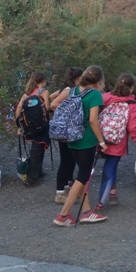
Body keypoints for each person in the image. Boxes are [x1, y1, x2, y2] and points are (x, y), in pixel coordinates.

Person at [53, 65, 108, 226]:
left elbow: (56, 105)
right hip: (86, 140)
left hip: (71, 138)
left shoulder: (73, 91)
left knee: (82, 176)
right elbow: (93, 120)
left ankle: (86, 211)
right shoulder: (95, 94)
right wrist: (102, 142)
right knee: (83, 176)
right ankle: (63, 214)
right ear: (98, 81)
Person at [96, 73, 136, 211]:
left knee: (108, 167)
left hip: (100, 138)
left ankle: (112, 192)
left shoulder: (105, 98)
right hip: (118, 141)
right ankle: (100, 204)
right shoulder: (132, 105)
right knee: (110, 167)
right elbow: (132, 128)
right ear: (131, 88)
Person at [50, 66, 84, 203]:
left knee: (70, 159)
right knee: (65, 160)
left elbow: (52, 96)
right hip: (65, 129)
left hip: (69, 129)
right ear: (78, 78)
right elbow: (53, 103)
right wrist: (69, 111)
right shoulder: (69, 90)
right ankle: (60, 191)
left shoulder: (69, 89)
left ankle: (67, 186)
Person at [15, 72, 50, 187]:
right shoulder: (43, 92)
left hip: (29, 126)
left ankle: (38, 172)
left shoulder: (27, 93)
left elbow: (19, 108)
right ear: (43, 81)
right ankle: (32, 178)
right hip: (41, 126)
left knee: (37, 148)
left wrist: (19, 126)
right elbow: (47, 107)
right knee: (37, 150)